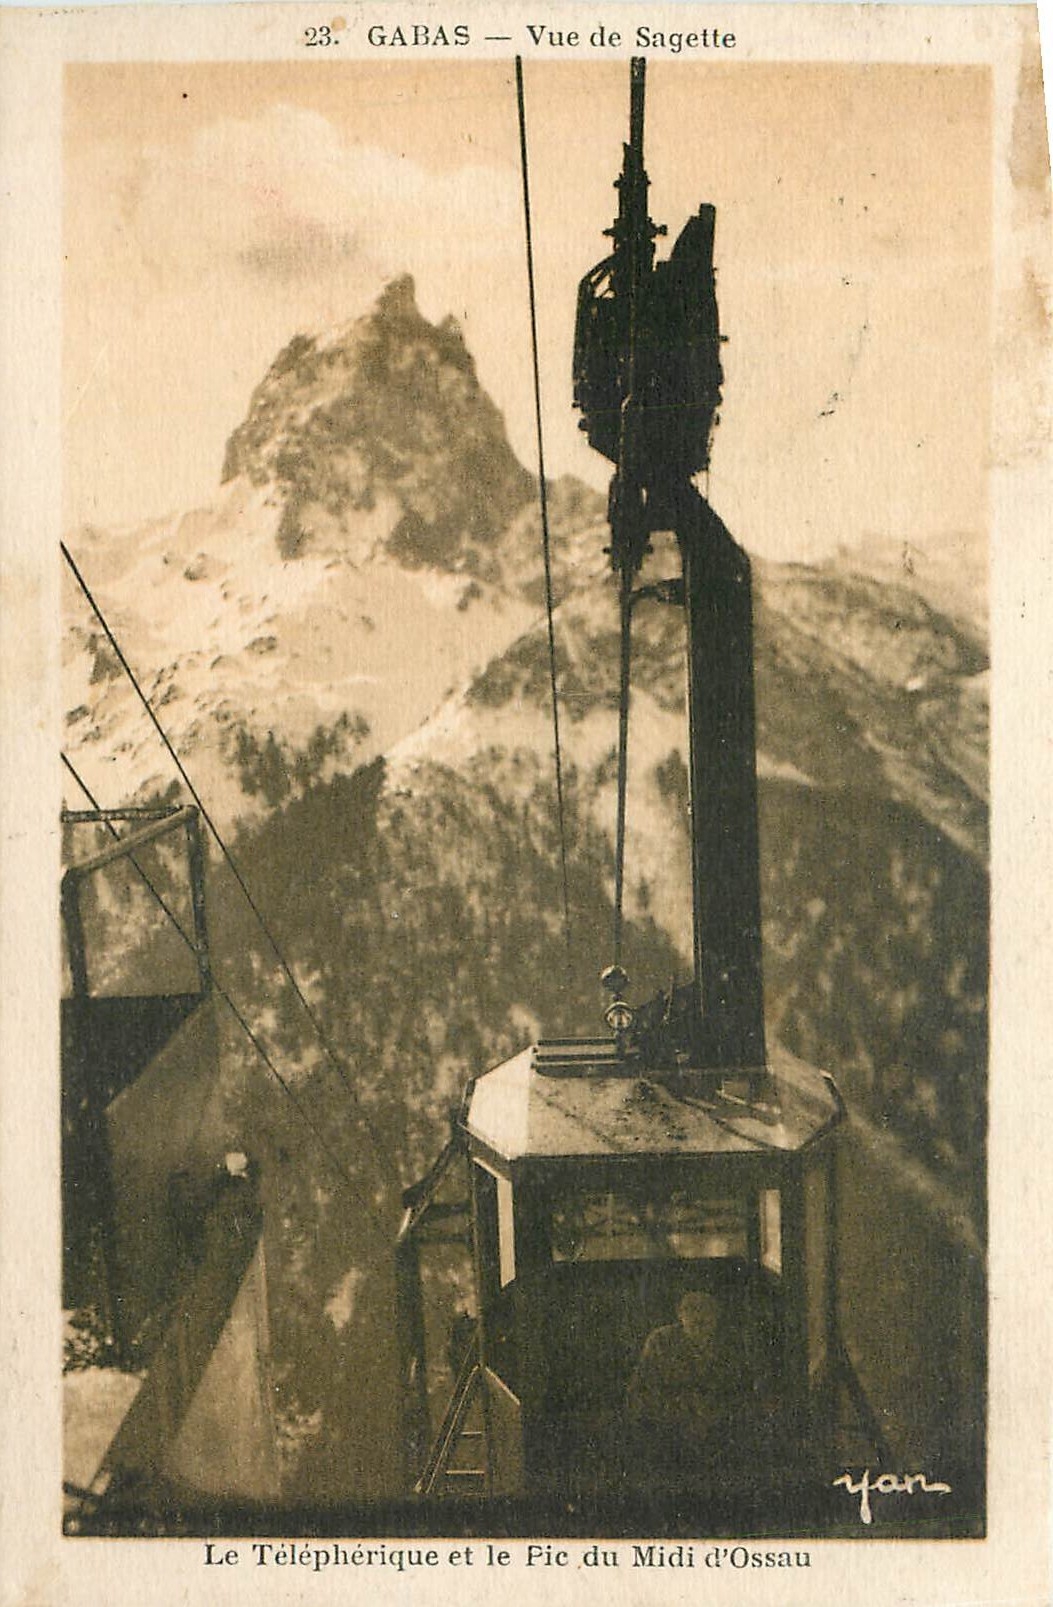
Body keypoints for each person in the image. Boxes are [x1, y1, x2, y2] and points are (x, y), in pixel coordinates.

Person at [625, 1290, 738, 1476]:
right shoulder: (661, 1341)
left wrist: (710, 1415)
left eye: (706, 1310)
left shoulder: (729, 1345)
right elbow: (641, 1391)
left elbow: (737, 1392)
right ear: (679, 1314)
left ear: (717, 1316)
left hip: (716, 1430)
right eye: (691, 1309)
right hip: (668, 1427)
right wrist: (680, 1413)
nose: (698, 1317)